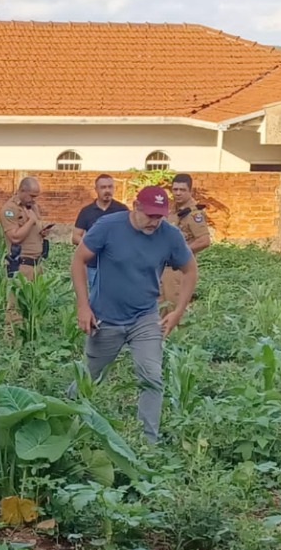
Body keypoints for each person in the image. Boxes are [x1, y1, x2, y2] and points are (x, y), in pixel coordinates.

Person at [69, 185, 198, 443]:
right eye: (149, 215)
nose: (154, 221)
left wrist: (177, 312)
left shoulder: (170, 235)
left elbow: (190, 270)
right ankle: (66, 419)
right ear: (136, 206)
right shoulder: (108, 226)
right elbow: (78, 260)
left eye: (159, 216)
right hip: (106, 318)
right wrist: (83, 306)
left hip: (145, 318)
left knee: (151, 375)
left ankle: (148, 443)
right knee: (89, 375)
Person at [0, 177, 54, 327]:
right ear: (21, 191)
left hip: (36, 265)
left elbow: (32, 228)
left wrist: (41, 231)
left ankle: (30, 340)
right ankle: (11, 342)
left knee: (33, 306)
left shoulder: (32, 207)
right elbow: (15, 237)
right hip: (20, 265)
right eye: (31, 196)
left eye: (36, 196)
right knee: (15, 307)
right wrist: (31, 221)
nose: (34, 200)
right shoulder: (9, 210)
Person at [71, 174, 129, 300]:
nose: (107, 190)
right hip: (94, 265)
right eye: (103, 187)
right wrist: (92, 246)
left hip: (117, 266)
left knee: (117, 299)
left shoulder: (122, 210)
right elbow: (75, 236)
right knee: (96, 299)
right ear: (96, 189)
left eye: (110, 187)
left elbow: (130, 235)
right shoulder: (87, 211)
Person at [161, 173, 212, 310]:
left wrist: (180, 254)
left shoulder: (194, 214)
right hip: (163, 268)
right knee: (160, 310)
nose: (178, 193)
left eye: (182, 190)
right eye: (175, 189)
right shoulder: (172, 211)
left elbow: (204, 240)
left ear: (190, 191)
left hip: (179, 269)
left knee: (175, 309)